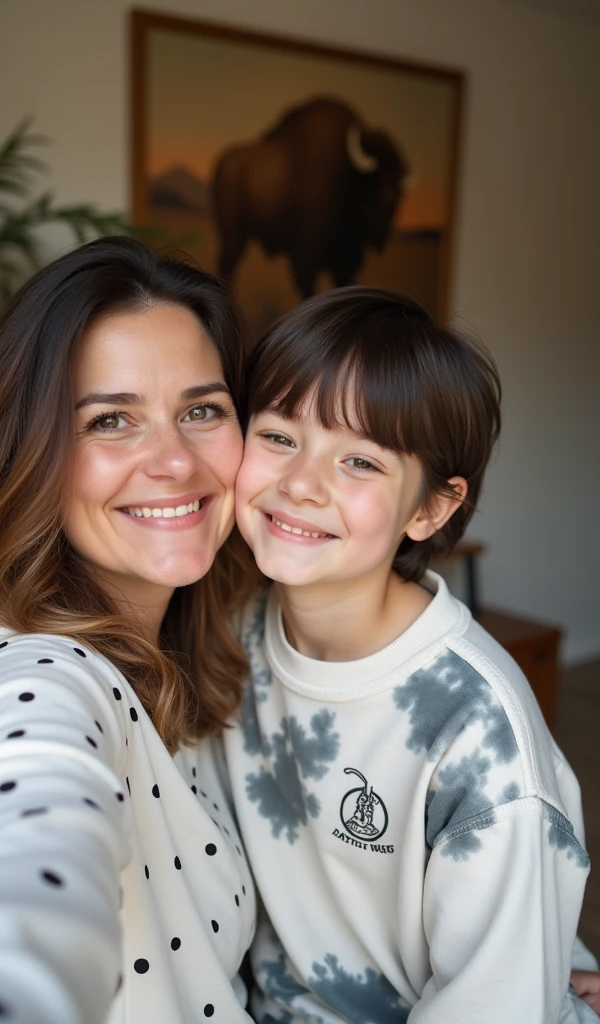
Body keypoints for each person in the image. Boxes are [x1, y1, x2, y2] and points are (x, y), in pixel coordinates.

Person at [223, 286, 597, 1023]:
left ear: (430, 508)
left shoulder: (478, 737)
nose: (300, 483)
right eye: (277, 435)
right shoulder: (232, 630)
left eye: (361, 461)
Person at [0, 236, 261, 1023]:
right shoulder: (28, 674)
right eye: (111, 421)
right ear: (29, 455)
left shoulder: (209, 638)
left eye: (202, 410)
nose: (173, 461)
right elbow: (26, 838)